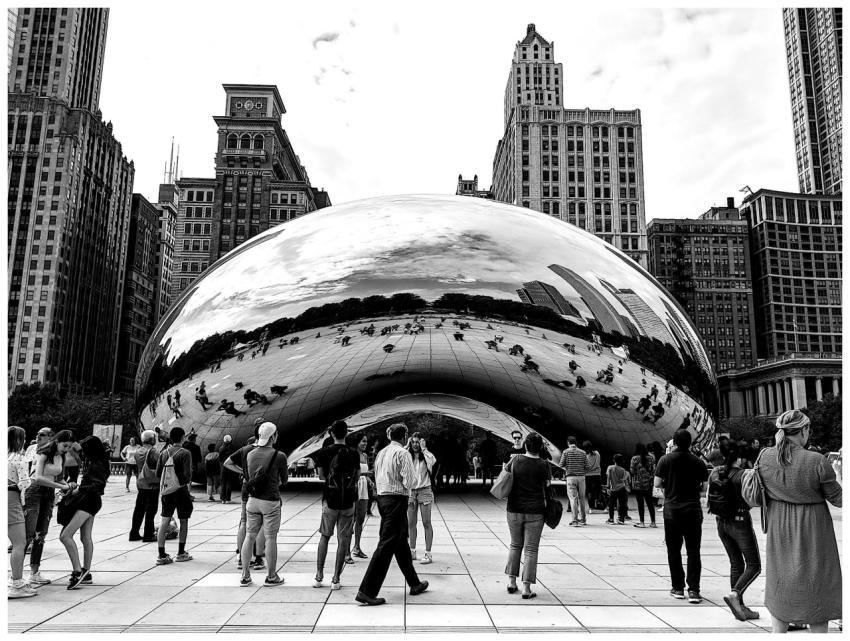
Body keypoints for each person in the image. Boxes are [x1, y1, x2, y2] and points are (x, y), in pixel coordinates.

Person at [757, 410, 841, 633]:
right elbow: (839, 499)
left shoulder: (764, 456)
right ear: (804, 430)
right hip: (813, 527)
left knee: (781, 577)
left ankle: (779, 632)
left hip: (779, 526)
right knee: (816, 578)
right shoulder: (816, 460)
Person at [356, 423, 429, 606]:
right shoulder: (403, 454)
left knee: (400, 541)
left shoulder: (381, 453)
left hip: (383, 500)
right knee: (387, 544)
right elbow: (411, 481)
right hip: (397, 500)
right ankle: (366, 591)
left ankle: (414, 583)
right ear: (404, 437)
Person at [706, 439, 760, 621]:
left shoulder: (715, 472)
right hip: (740, 521)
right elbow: (753, 499)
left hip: (721, 523)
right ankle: (736, 595)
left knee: (736, 564)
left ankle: (740, 607)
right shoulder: (744, 474)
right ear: (740, 457)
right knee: (754, 565)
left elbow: (708, 495)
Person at [654, 429, 709, 604]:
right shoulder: (698, 462)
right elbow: (704, 488)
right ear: (690, 443)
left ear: (674, 443)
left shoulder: (665, 460)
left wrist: (669, 491)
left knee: (673, 550)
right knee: (693, 551)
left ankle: (677, 587)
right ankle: (694, 590)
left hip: (672, 511)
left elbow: (657, 483)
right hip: (692, 510)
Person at [233, 422, 287, 587]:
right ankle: (271, 576)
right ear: (273, 436)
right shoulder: (279, 455)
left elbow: (248, 477)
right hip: (270, 501)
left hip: (252, 500)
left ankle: (245, 575)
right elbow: (284, 480)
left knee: (249, 536)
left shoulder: (250, 454)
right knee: (270, 538)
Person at [311, 420, 359, 589]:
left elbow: (321, 477)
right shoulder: (354, 453)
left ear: (331, 434)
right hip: (348, 502)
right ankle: (336, 579)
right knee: (343, 539)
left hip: (329, 500)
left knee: (325, 536)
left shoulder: (324, 452)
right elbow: (357, 476)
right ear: (347, 433)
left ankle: (319, 575)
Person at [25, 429, 74, 586]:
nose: (66, 449)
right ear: (57, 441)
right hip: (35, 491)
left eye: (69, 447)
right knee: (28, 532)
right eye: (64, 445)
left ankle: (34, 572)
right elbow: (38, 477)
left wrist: (68, 486)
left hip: (48, 494)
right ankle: (17, 575)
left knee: (41, 533)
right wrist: (59, 486)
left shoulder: (62, 456)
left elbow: (60, 478)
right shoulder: (43, 453)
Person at [504, 431, 550, 599]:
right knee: (531, 550)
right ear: (540, 447)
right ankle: (526, 588)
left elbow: (505, 475)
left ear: (525, 445)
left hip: (514, 509)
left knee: (515, 545)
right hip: (536, 511)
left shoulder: (515, 460)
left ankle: (511, 582)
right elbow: (548, 487)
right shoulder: (544, 465)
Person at [61, 436, 110, 589]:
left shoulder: (96, 464)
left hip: (88, 501)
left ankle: (77, 571)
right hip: (91, 501)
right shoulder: (97, 462)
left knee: (65, 536)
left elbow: (97, 486)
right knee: (85, 537)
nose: (81, 453)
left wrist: (78, 490)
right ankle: (86, 571)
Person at [154, 427, 194, 565]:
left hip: (167, 492)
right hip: (181, 491)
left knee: (164, 521)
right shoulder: (185, 453)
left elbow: (158, 474)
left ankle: (161, 554)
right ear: (183, 437)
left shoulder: (163, 453)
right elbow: (188, 475)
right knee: (183, 521)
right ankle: (181, 553)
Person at [8, 426, 37, 599]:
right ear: (19, 440)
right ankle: (16, 582)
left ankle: (16, 580)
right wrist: (25, 505)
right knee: (20, 543)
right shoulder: (19, 459)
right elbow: (24, 483)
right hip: (12, 498)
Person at [407, 433, 436, 564]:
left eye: (417, 442)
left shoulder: (426, 455)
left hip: (425, 490)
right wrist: (406, 445)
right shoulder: (407, 455)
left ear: (422, 443)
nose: (415, 444)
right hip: (411, 491)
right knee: (411, 523)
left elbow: (433, 461)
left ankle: (428, 553)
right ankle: (412, 551)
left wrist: (424, 449)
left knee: (426, 522)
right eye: (413, 442)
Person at [129, 430, 160, 542]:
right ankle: (148, 534)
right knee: (151, 510)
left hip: (141, 483)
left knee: (139, 509)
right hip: (152, 485)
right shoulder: (153, 452)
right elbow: (159, 466)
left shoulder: (138, 451)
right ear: (152, 440)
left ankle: (134, 533)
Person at [348, 433, 374, 559]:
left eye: (366, 441)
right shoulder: (351, 454)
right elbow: (353, 471)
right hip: (354, 486)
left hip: (364, 488)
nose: (365, 444)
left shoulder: (365, 455)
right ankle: (346, 551)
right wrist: (365, 473)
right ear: (357, 442)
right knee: (350, 520)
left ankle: (357, 547)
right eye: (363, 441)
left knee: (361, 518)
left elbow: (366, 474)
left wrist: (370, 481)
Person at [559, 436, 589, 527]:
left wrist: (567, 469)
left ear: (568, 443)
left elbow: (561, 464)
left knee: (573, 499)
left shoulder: (566, 452)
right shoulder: (583, 452)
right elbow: (587, 466)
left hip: (571, 477)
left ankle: (575, 520)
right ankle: (583, 519)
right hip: (582, 477)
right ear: (576, 443)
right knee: (582, 498)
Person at [630, 443, 657, 528]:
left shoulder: (634, 459)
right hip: (648, 484)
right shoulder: (651, 458)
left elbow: (632, 471)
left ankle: (642, 522)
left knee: (640, 503)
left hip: (638, 485)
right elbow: (653, 471)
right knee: (650, 503)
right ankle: (653, 522)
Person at [605, 454, 630, 525]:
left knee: (611, 504)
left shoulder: (610, 468)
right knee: (622, 504)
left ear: (614, 460)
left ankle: (611, 519)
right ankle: (621, 519)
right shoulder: (623, 470)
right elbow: (624, 479)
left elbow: (608, 478)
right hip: (622, 488)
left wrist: (608, 487)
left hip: (613, 489)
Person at [583, 441, 602, 512]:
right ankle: (599, 504)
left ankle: (591, 507)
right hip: (597, 474)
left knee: (589, 491)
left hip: (588, 475)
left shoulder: (585, 455)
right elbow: (598, 463)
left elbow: (585, 466)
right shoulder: (597, 453)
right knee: (597, 490)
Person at [218, 434, 235, 504]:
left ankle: (223, 499)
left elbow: (220, 459)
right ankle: (228, 498)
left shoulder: (221, 448)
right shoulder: (233, 448)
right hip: (230, 466)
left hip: (223, 467)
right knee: (229, 482)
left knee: (223, 483)